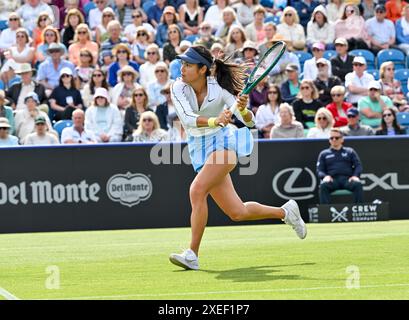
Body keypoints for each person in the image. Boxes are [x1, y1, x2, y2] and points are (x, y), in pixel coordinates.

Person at [168, 45, 306, 270]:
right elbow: (186, 117)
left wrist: (242, 110)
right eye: (183, 64)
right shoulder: (177, 87)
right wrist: (215, 120)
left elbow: (251, 122)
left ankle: (192, 254)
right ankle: (286, 212)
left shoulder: (220, 90)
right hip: (198, 146)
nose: (182, 68)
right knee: (237, 212)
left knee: (196, 190)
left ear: (203, 69)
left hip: (224, 143)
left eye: (188, 65)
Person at [317, 128, 363, 204]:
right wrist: (325, 176)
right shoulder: (324, 154)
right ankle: (326, 212)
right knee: (323, 186)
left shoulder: (350, 151)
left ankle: (358, 210)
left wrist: (355, 176)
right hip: (332, 180)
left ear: (342, 139)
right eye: (331, 138)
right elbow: (319, 170)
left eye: (337, 138)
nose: (334, 140)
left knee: (357, 184)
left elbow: (358, 166)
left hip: (347, 180)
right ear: (329, 140)